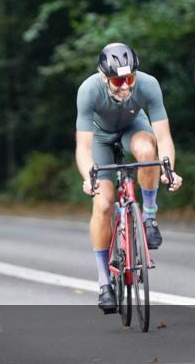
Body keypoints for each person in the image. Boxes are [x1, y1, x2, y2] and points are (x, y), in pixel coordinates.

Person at [75, 43, 183, 314]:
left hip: (134, 128)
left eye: (130, 78)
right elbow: (83, 148)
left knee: (148, 152)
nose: (125, 87)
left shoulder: (148, 85)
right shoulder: (89, 90)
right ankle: (104, 284)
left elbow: (164, 137)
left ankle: (148, 217)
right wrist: (89, 176)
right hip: (100, 139)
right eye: (118, 80)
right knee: (103, 204)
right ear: (104, 77)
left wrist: (169, 169)